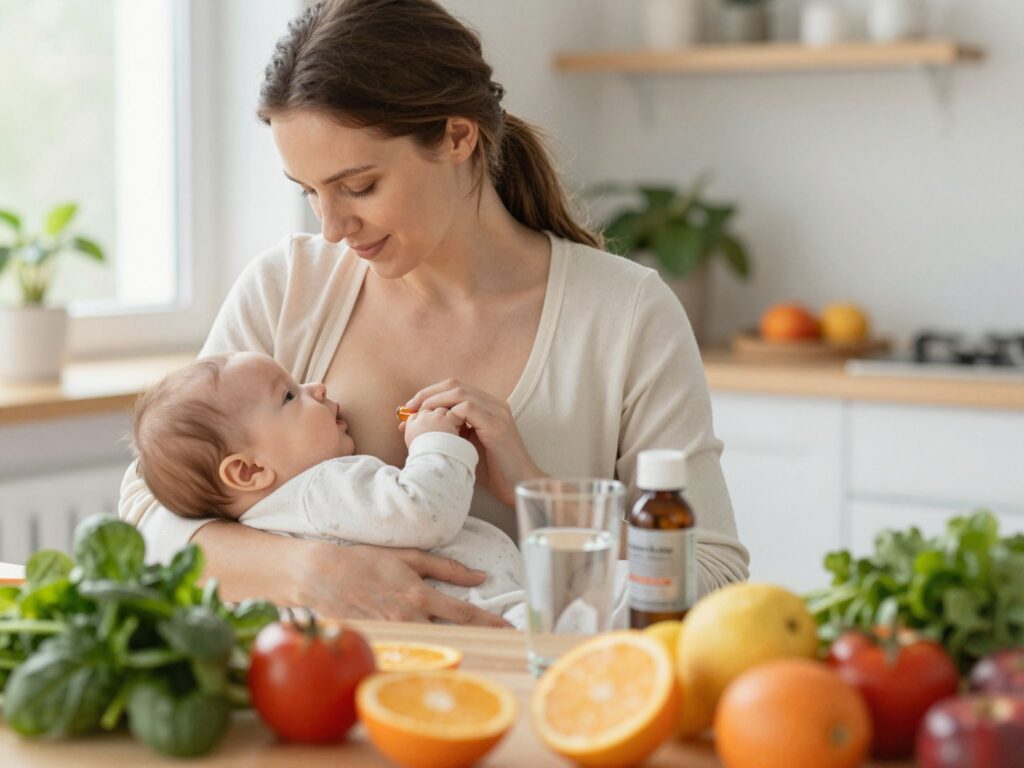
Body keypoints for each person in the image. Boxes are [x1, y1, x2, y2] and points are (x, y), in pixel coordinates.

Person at [119, 0, 749, 625]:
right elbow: (147, 518)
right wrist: (316, 574)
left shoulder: (625, 314)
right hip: (323, 704)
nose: (332, 228)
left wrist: (537, 492)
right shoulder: (288, 287)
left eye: (359, 186)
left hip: (532, 704)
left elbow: (715, 584)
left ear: (456, 135)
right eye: (309, 192)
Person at [131, 351, 524, 624]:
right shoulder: (320, 487)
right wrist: (436, 441)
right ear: (250, 471)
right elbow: (424, 513)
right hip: (490, 618)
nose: (316, 386)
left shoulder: (260, 530)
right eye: (288, 395)